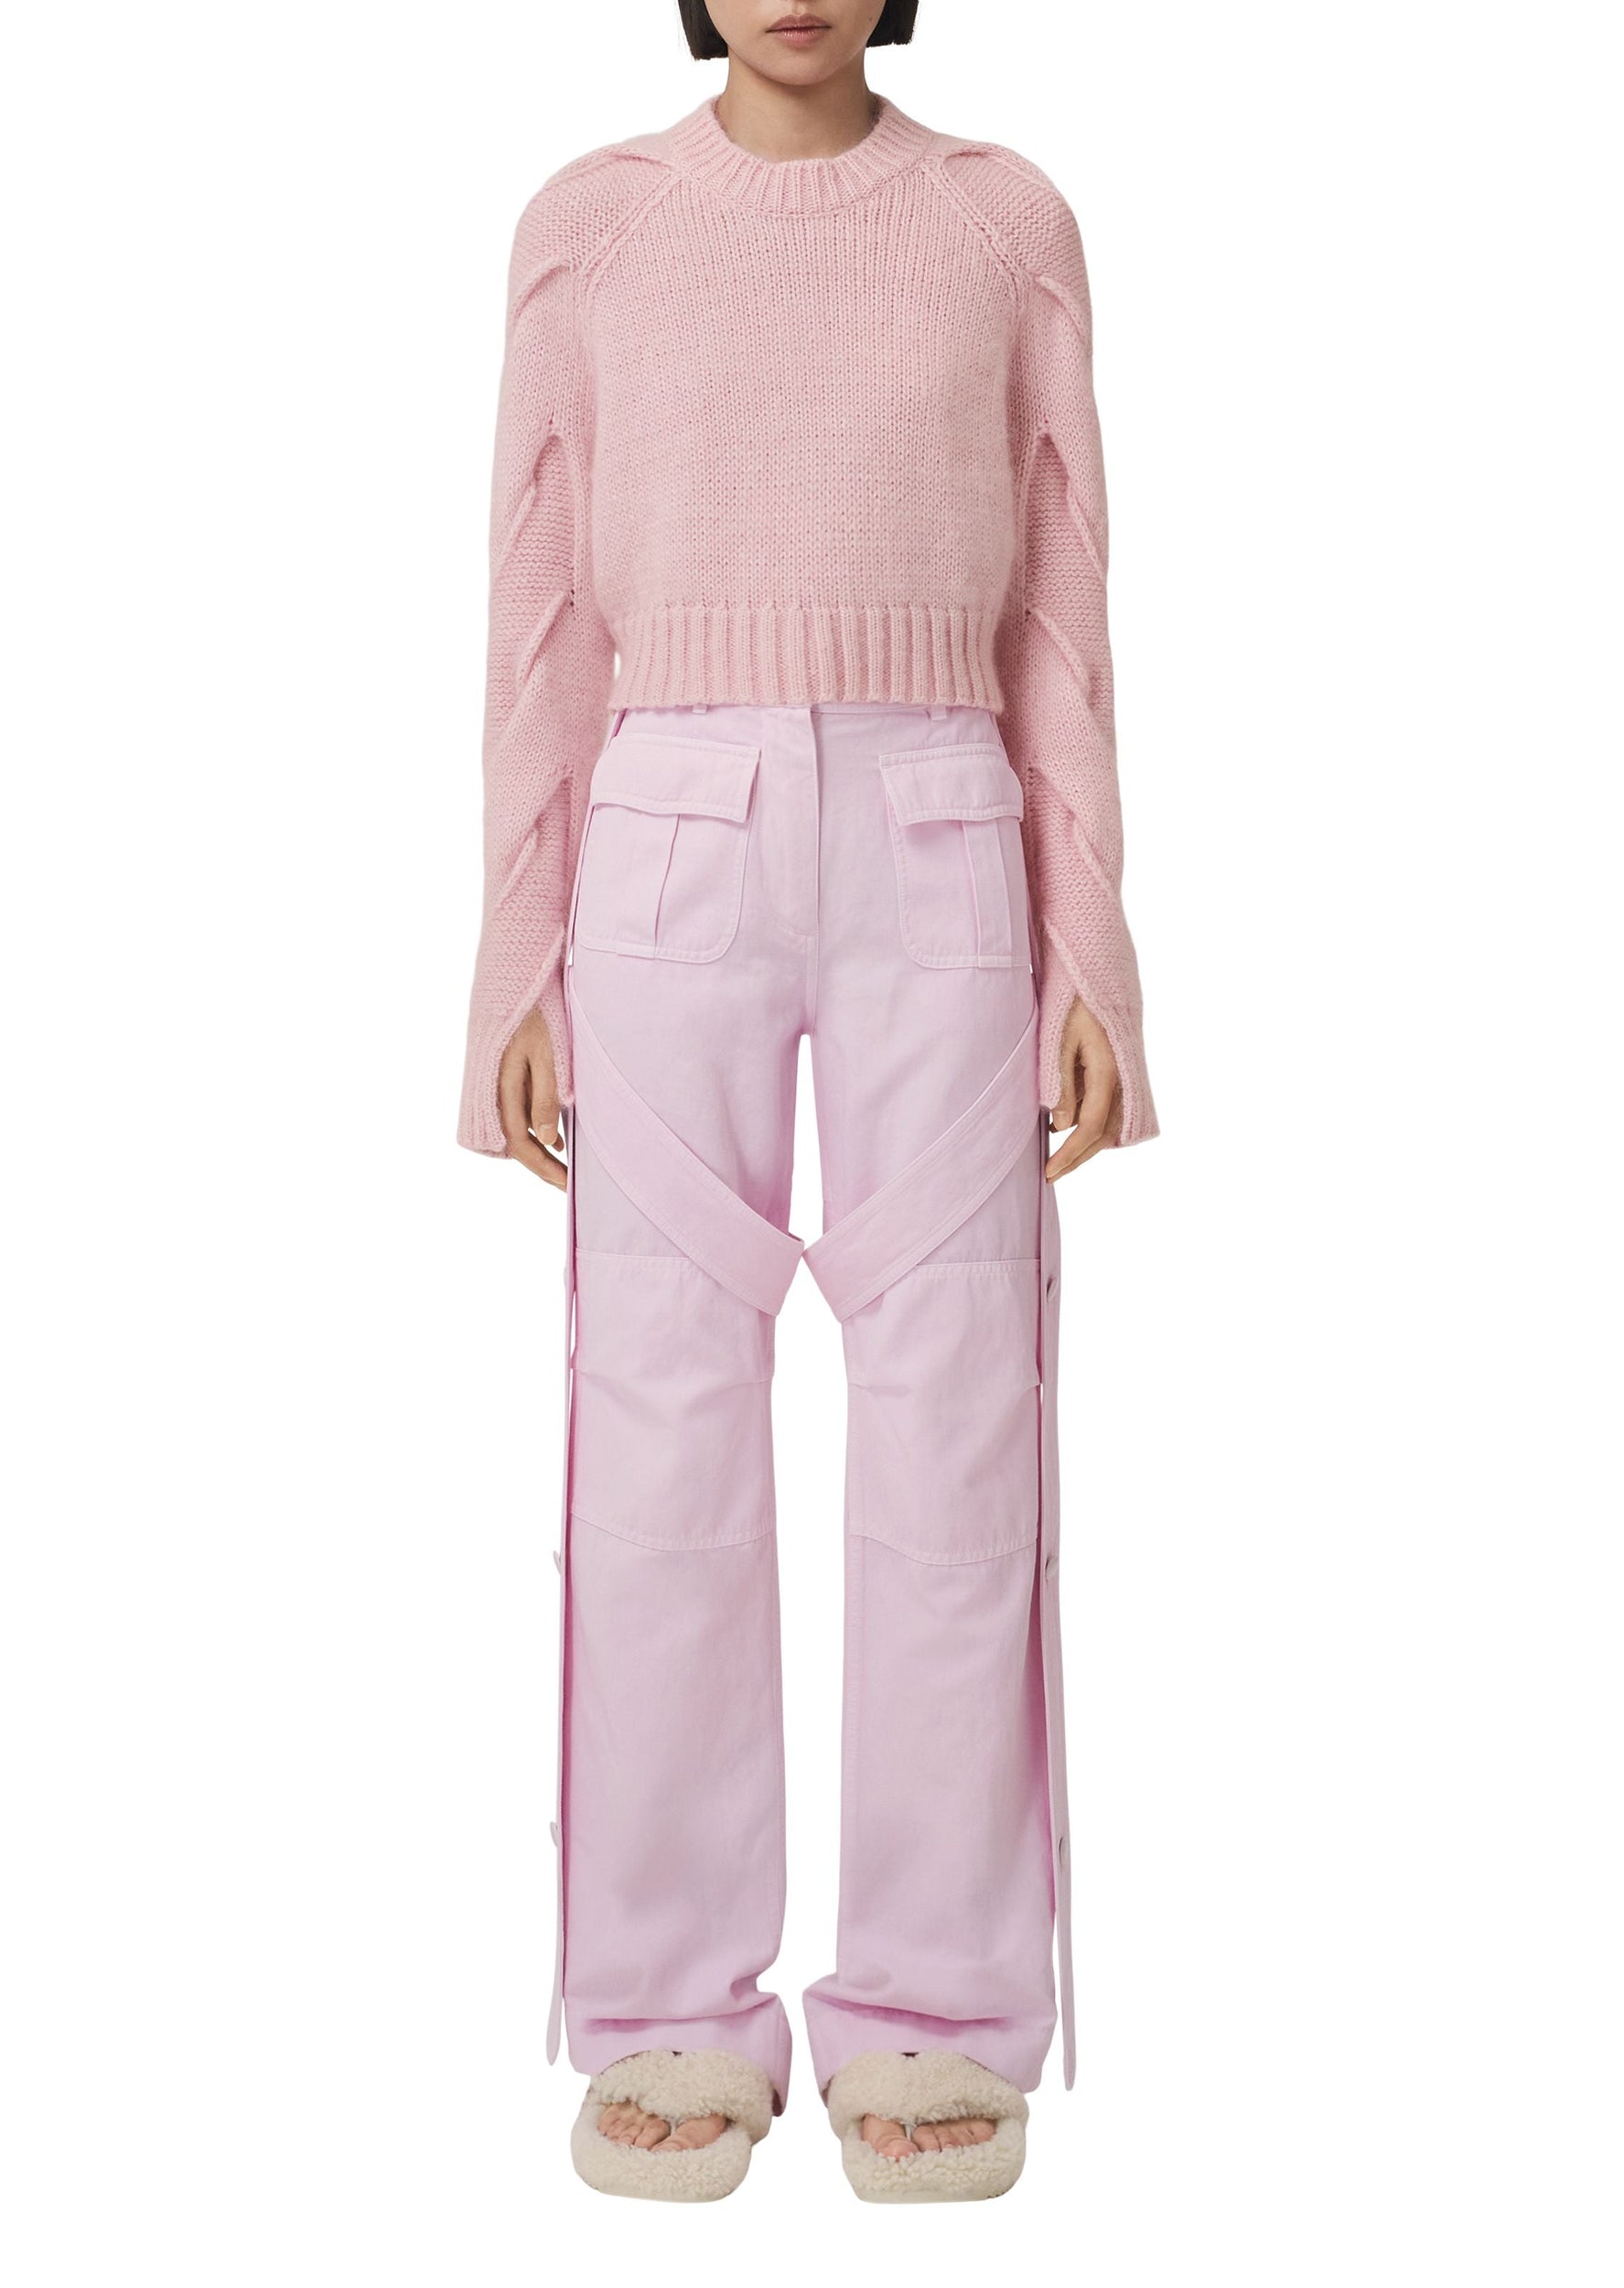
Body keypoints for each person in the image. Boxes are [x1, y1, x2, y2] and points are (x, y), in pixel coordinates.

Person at [457, 0, 1156, 2203]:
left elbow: (1059, 604)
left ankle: (938, 2005)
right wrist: (510, 955)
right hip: (661, 828)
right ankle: (663, 1998)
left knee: (957, 1416)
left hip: (944, 828)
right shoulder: (587, 226)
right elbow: (540, 609)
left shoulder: (1004, 223)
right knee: (657, 1418)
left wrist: (1091, 945)